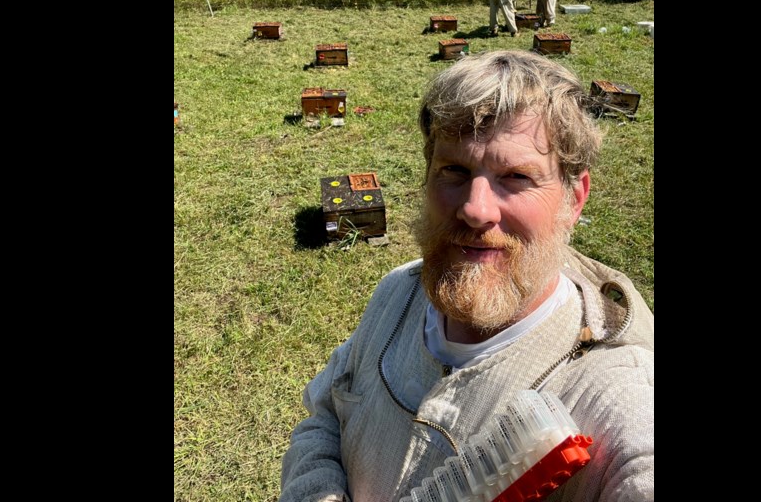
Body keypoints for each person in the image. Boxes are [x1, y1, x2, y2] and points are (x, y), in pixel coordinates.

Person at [280, 50, 655, 502]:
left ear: (574, 199)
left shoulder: (613, 392)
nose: (475, 209)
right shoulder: (398, 292)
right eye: (454, 170)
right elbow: (324, 414)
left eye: (515, 177)